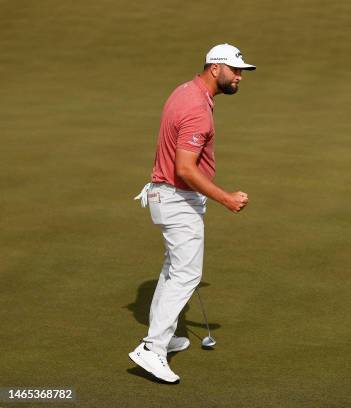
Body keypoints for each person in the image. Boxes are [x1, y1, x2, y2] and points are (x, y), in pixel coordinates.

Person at [129, 43, 256, 384]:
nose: (239, 77)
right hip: (177, 199)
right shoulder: (197, 108)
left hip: (164, 196)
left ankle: (163, 335)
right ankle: (151, 349)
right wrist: (226, 198)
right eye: (235, 70)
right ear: (215, 68)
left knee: (174, 271)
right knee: (186, 275)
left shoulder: (184, 91)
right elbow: (185, 169)